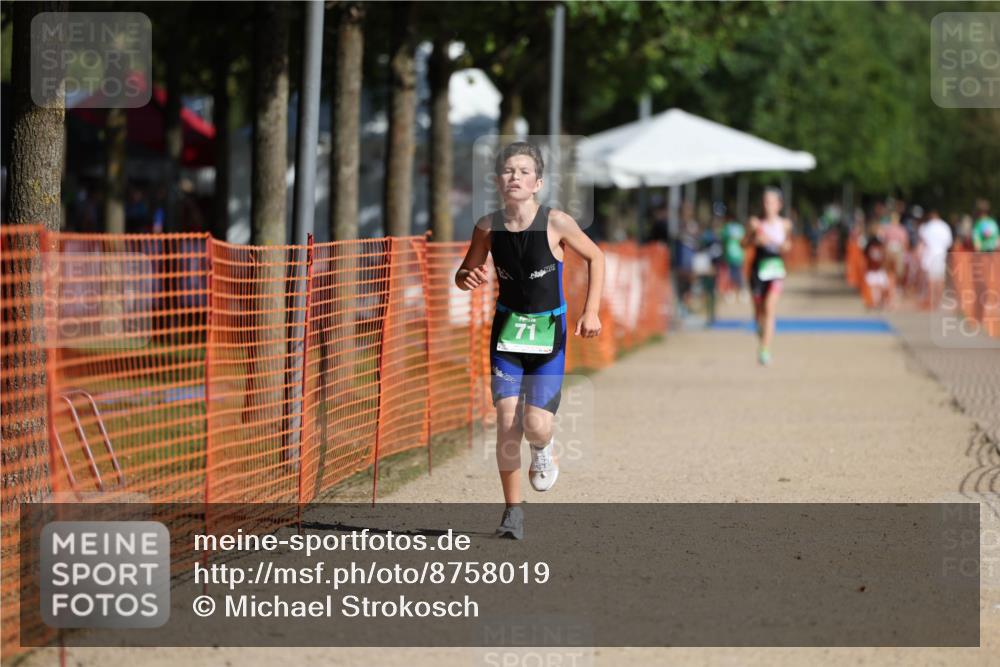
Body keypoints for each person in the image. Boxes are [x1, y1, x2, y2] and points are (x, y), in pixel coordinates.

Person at [455, 142, 604, 539]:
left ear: (537, 182)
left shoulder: (556, 222)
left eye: (523, 171)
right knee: (506, 422)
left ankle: (542, 450)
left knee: (536, 425)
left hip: (547, 336)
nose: (515, 177)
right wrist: (465, 277)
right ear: (497, 181)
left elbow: (596, 258)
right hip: (507, 336)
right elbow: (464, 272)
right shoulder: (487, 226)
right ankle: (512, 512)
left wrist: (591, 311)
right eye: (508, 171)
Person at [742, 187, 793, 366]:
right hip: (758, 271)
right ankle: (761, 331)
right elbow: (743, 244)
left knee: (770, 308)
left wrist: (783, 246)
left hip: (775, 270)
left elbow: (787, 246)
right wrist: (751, 236)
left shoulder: (785, 224)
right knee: (759, 312)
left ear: (779, 204)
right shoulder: (756, 223)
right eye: (765, 201)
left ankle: (765, 349)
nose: (767, 205)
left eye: (771, 202)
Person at [917, 209, 953, 310]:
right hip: (941, 255)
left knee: (931, 280)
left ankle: (932, 300)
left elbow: (923, 241)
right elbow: (949, 242)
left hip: (930, 255)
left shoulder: (928, 227)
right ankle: (938, 300)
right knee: (940, 279)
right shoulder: (945, 226)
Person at [721, 205, 746, 301]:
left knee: (731, 275)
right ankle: (740, 292)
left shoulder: (727, 227)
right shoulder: (741, 228)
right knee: (739, 274)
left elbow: (723, 240)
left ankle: (731, 292)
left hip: (730, 255)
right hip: (739, 255)